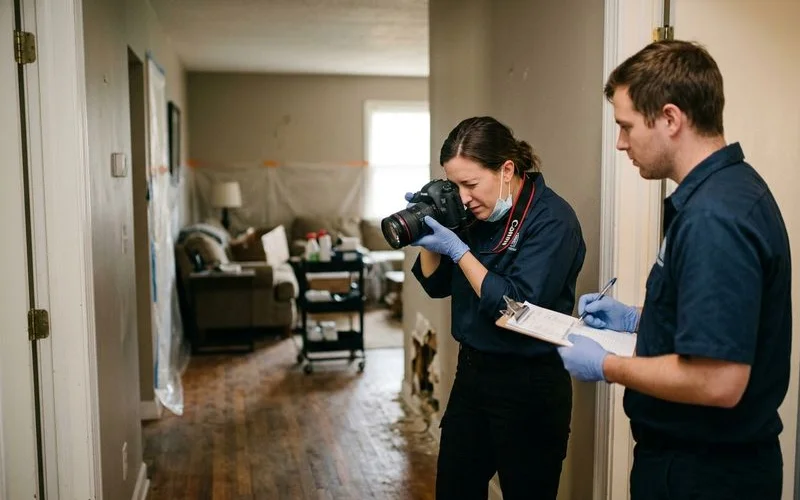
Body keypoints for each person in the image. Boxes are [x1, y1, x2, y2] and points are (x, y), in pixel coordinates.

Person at [557, 40, 791, 499]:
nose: (621, 142)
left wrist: (608, 365)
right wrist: (638, 318)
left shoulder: (715, 217)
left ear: (670, 118)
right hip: (706, 465)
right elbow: (722, 323)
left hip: (703, 475)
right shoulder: (729, 190)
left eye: (626, 126)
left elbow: (718, 380)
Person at [410, 116, 585, 500]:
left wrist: (459, 250)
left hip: (529, 384)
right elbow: (436, 285)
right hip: (473, 374)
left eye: (470, 184)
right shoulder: (473, 214)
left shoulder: (553, 220)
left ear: (507, 169)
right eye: (453, 186)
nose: (463, 197)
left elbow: (516, 306)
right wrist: (428, 231)